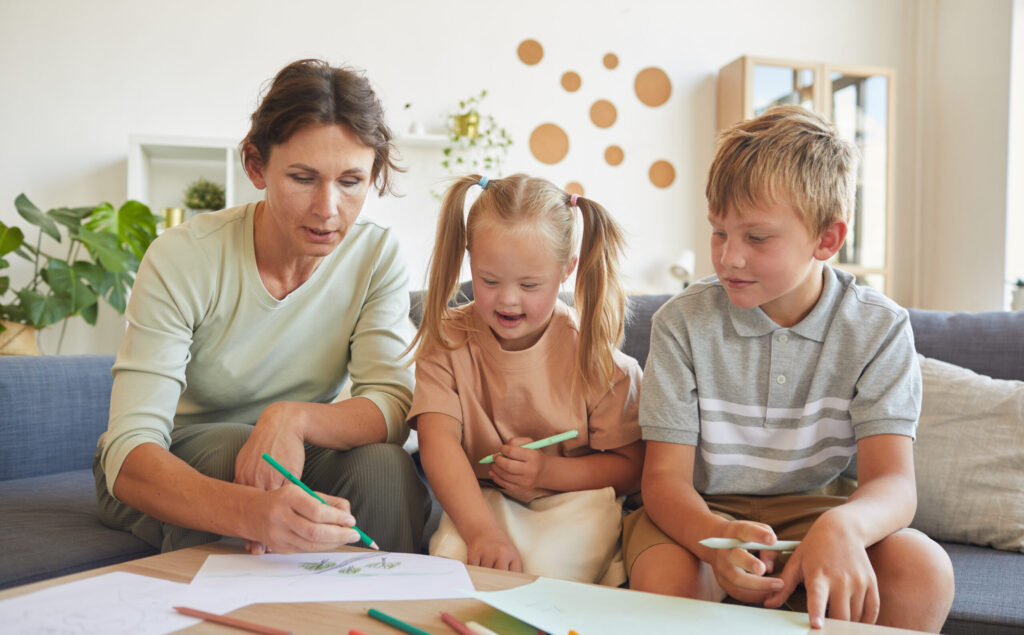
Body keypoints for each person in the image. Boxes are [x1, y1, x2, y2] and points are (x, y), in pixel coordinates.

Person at [624, 106, 954, 630]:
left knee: (923, 568)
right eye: (718, 232)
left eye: (756, 238)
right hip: (702, 511)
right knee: (669, 578)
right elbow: (664, 482)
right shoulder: (680, 323)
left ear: (826, 239)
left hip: (820, 510)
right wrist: (715, 541)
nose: (729, 257)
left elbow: (894, 483)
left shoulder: (879, 326)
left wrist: (843, 527)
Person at [94, 59, 428, 555]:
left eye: (352, 181)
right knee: (232, 446)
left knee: (385, 466)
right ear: (255, 166)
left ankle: (378, 613)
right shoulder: (183, 256)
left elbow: (393, 404)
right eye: (302, 177)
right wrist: (250, 513)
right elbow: (129, 449)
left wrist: (292, 419)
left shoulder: (376, 255)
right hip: (164, 466)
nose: (328, 208)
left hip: (294, 451)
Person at [408, 174, 644, 584]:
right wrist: (482, 531)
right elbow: (438, 442)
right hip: (480, 501)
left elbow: (631, 467)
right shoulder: (445, 340)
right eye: (489, 280)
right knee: (451, 565)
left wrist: (546, 475)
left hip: (575, 502)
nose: (508, 299)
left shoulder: (596, 356)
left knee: (543, 576)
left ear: (567, 269)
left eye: (530, 284)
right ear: (470, 260)